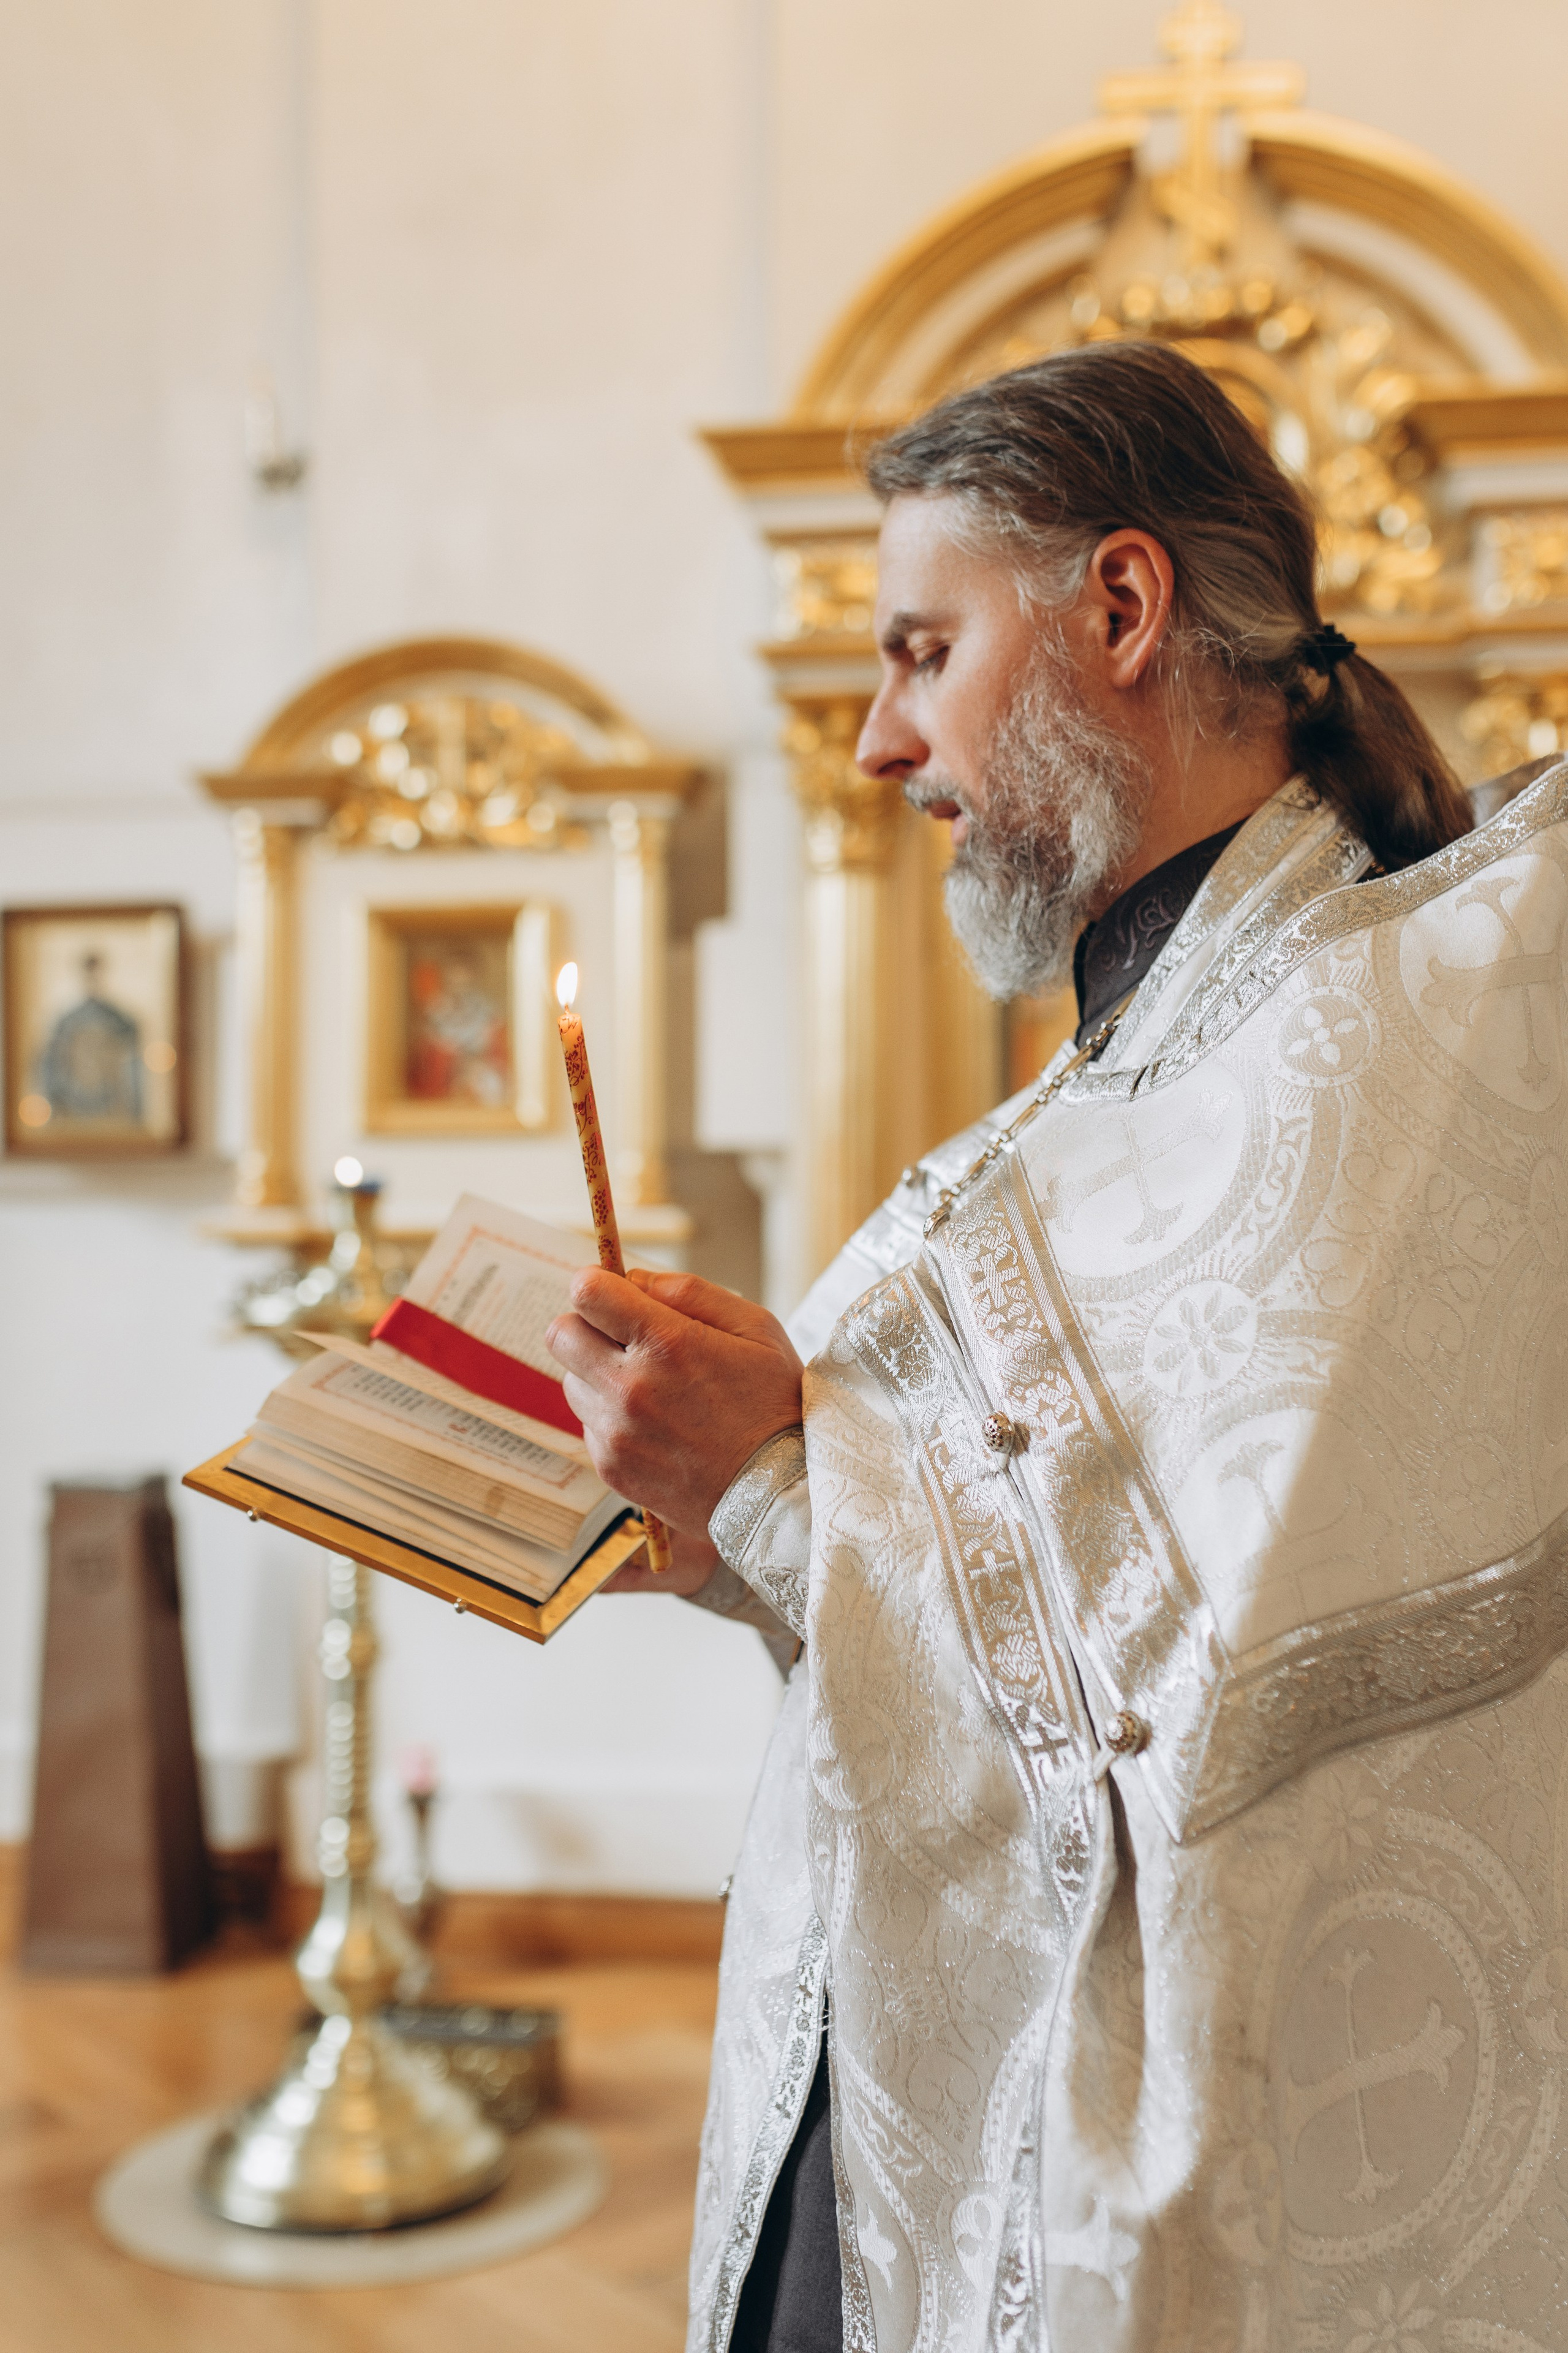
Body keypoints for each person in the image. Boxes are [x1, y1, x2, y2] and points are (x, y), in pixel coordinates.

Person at [548, 341, 1568, 2353]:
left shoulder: (1384, 1048)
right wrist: (743, 1525)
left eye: (925, 651)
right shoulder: (1097, 1100)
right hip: (906, 2100)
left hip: (1186, 2160)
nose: (877, 743)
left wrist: (777, 1479)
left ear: (1121, 607)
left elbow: (1201, 1703)